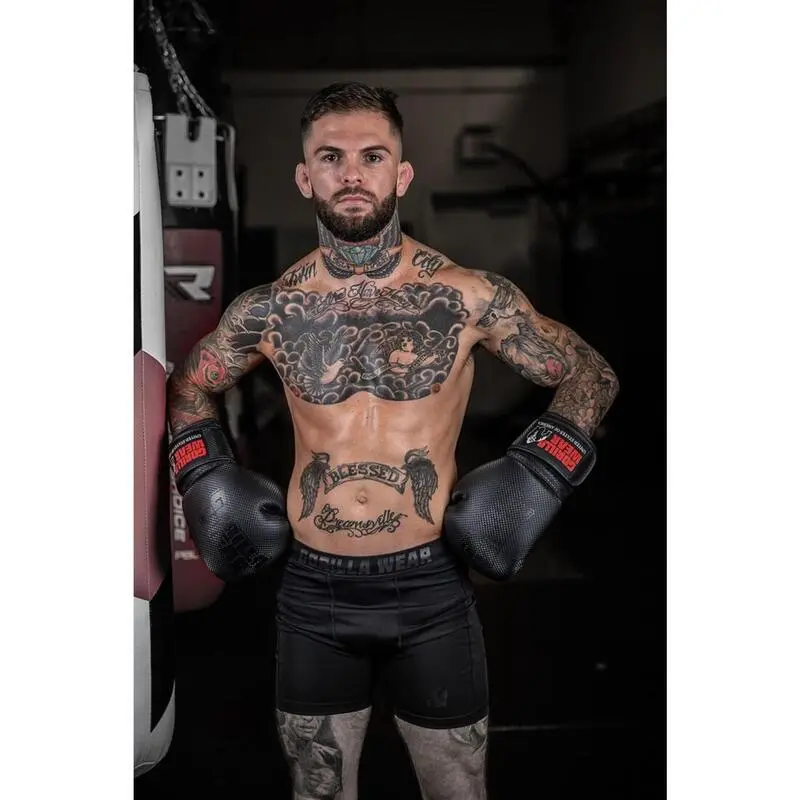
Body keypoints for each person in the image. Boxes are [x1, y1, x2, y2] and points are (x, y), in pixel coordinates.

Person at [166, 82, 619, 800]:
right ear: (305, 176)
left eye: (372, 157)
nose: (352, 173)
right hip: (313, 593)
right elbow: (190, 384)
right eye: (331, 157)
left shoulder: (468, 297)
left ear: (401, 174)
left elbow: (590, 374)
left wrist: (539, 472)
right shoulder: (270, 310)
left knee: (456, 790)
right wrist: (204, 476)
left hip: (431, 586)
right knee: (318, 791)